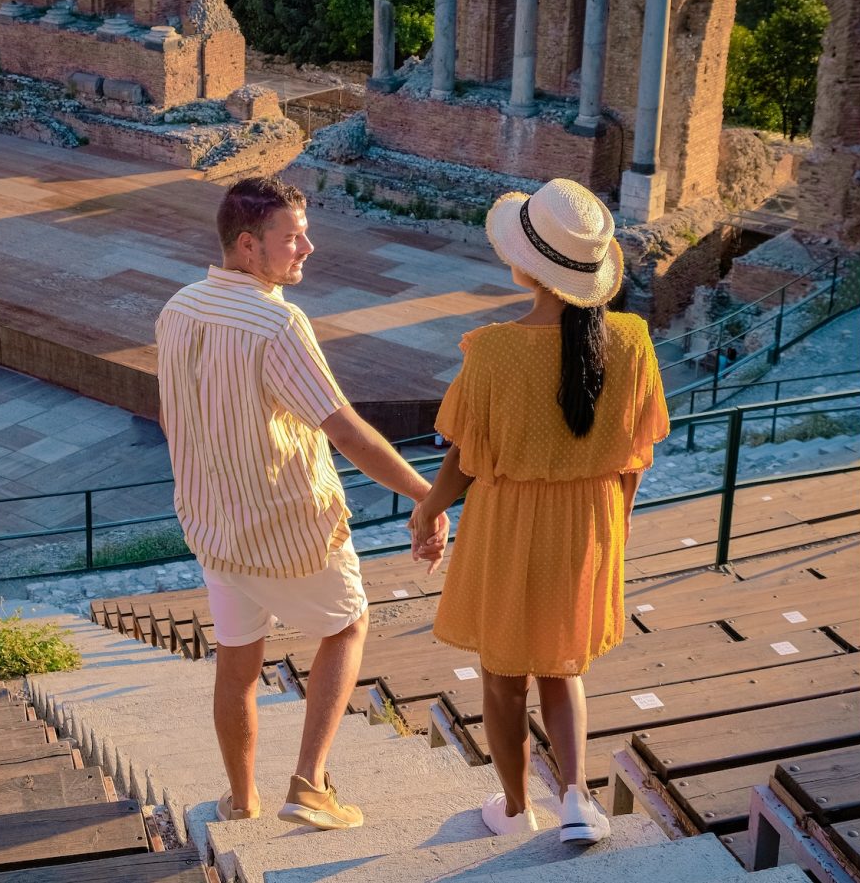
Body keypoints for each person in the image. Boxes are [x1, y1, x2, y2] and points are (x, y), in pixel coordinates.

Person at [156, 177, 448, 832]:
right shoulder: (278, 322)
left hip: (215, 531)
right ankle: (309, 783)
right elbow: (343, 430)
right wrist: (427, 495)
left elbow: (174, 417)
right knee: (347, 626)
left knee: (237, 664)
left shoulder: (176, 309)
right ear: (250, 246)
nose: (307, 247)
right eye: (293, 237)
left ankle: (240, 798)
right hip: (292, 529)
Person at [410, 179, 669, 843]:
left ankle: (516, 805)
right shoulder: (635, 342)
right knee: (562, 665)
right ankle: (578, 798)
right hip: (589, 522)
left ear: (527, 265)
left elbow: (468, 458)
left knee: (503, 679)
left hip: (508, 525)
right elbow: (633, 460)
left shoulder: (492, 349)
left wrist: (429, 511)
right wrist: (614, 527)